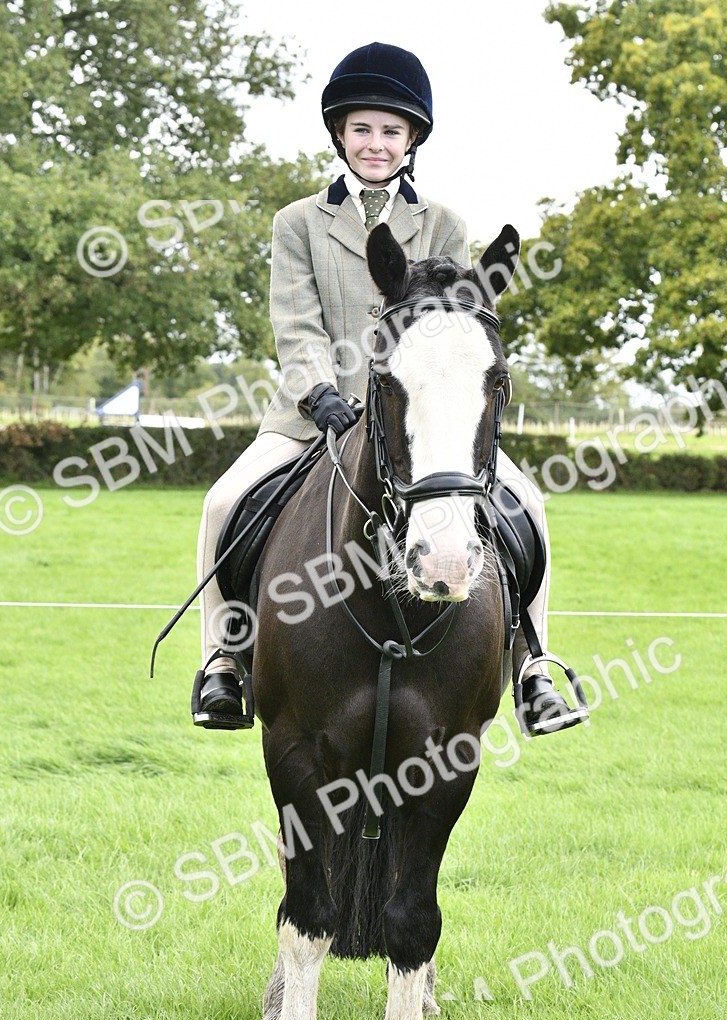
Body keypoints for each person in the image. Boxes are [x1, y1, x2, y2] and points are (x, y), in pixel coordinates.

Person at [193, 42, 583, 736]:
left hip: (422, 420)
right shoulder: (298, 223)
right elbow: (294, 320)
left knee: (529, 502)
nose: (376, 143)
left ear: (412, 141)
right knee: (222, 501)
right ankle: (223, 658)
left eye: (391, 131)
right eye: (363, 129)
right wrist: (319, 393)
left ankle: (533, 664)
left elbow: (455, 326)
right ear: (340, 135)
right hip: (313, 415)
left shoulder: (445, 225)